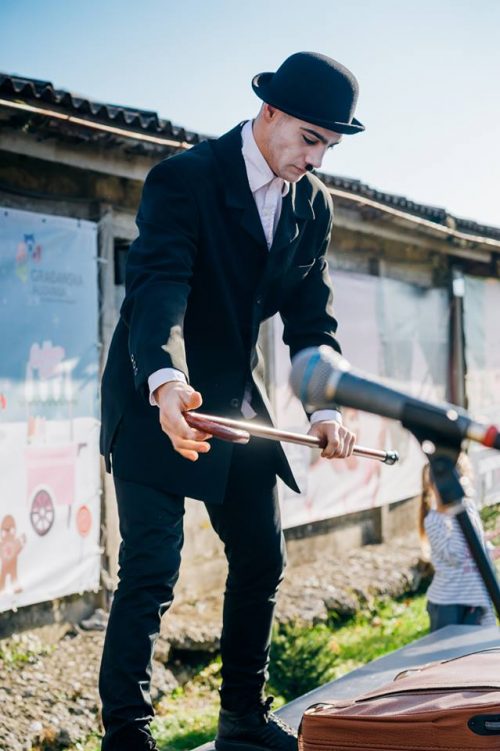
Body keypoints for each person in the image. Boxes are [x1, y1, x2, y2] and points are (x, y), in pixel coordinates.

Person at [99, 51, 364, 751]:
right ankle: (127, 736)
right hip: (154, 393)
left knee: (262, 558)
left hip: (237, 404)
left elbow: (311, 320)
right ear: (269, 112)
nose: (316, 159)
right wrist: (165, 381)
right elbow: (158, 289)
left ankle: (242, 719)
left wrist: (325, 410)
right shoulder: (184, 178)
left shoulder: (313, 204)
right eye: (310, 139)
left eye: (329, 148)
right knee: (151, 568)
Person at [419, 453, 497, 632]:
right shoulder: (434, 521)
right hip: (450, 604)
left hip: (477, 597)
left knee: (484, 644)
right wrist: (454, 513)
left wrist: (492, 549)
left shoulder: (469, 508)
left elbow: (477, 548)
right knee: (450, 650)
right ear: (434, 486)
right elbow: (457, 555)